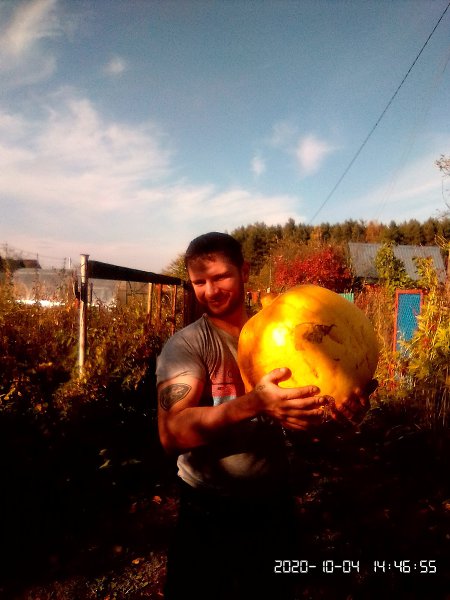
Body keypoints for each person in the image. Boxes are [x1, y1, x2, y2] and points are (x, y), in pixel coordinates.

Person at [156, 232, 373, 600]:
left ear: (244, 271)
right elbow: (171, 434)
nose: (210, 291)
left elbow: (303, 431)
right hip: (208, 510)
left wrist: (335, 417)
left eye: (221, 277)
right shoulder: (188, 345)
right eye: (199, 282)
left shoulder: (286, 333)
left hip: (272, 504)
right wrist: (255, 403)